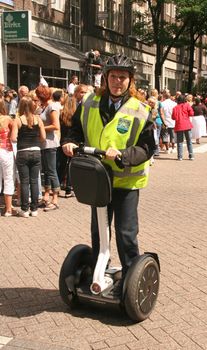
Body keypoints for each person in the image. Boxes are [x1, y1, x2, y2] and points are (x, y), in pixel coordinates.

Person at [62, 53, 156, 294]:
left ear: (130, 80)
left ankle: (129, 279)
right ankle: (97, 270)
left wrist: (124, 155)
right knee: (99, 230)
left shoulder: (140, 109)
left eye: (123, 77)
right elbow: (74, 129)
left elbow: (147, 147)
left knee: (126, 232)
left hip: (126, 181)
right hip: (98, 179)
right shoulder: (91, 102)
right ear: (106, 78)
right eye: (113, 76)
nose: (118, 81)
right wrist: (70, 142)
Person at [11, 97, 46, 217]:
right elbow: (43, 137)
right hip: (36, 151)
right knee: (35, 181)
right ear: (32, 106)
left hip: (23, 151)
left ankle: (25, 209)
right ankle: (34, 209)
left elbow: (13, 138)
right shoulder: (38, 119)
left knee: (24, 182)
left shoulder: (18, 120)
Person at [35, 85, 60, 211]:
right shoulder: (42, 107)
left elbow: (56, 125)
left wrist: (40, 128)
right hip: (43, 143)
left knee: (51, 170)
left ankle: (55, 199)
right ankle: (46, 197)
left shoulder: (52, 106)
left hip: (50, 143)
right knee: (46, 171)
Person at [0, 98, 15, 216]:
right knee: (8, 178)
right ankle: (8, 209)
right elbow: (15, 135)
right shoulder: (8, 119)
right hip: (6, 150)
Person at [172, 95, 194, 161]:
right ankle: (191, 155)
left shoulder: (175, 107)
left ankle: (180, 156)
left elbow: (173, 117)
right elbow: (191, 113)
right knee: (189, 141)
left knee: (180, 141)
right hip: (187, 124)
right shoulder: (187, 105)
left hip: (179, 125)